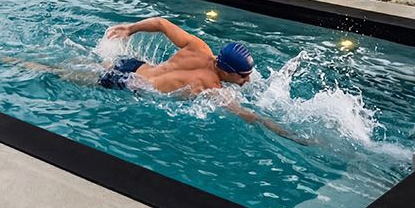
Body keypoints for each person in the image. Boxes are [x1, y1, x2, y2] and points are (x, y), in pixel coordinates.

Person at [100, 17, 306, 143]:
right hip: (129, 83)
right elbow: (248, 115)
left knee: (92, 65)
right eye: (243, 75)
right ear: (227, 71)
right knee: (72, 75)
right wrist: (288, 134)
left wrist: (130, 29)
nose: (249, 79)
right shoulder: (211, 87)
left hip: (134, 65)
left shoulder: (200, 47)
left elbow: (161, 24)